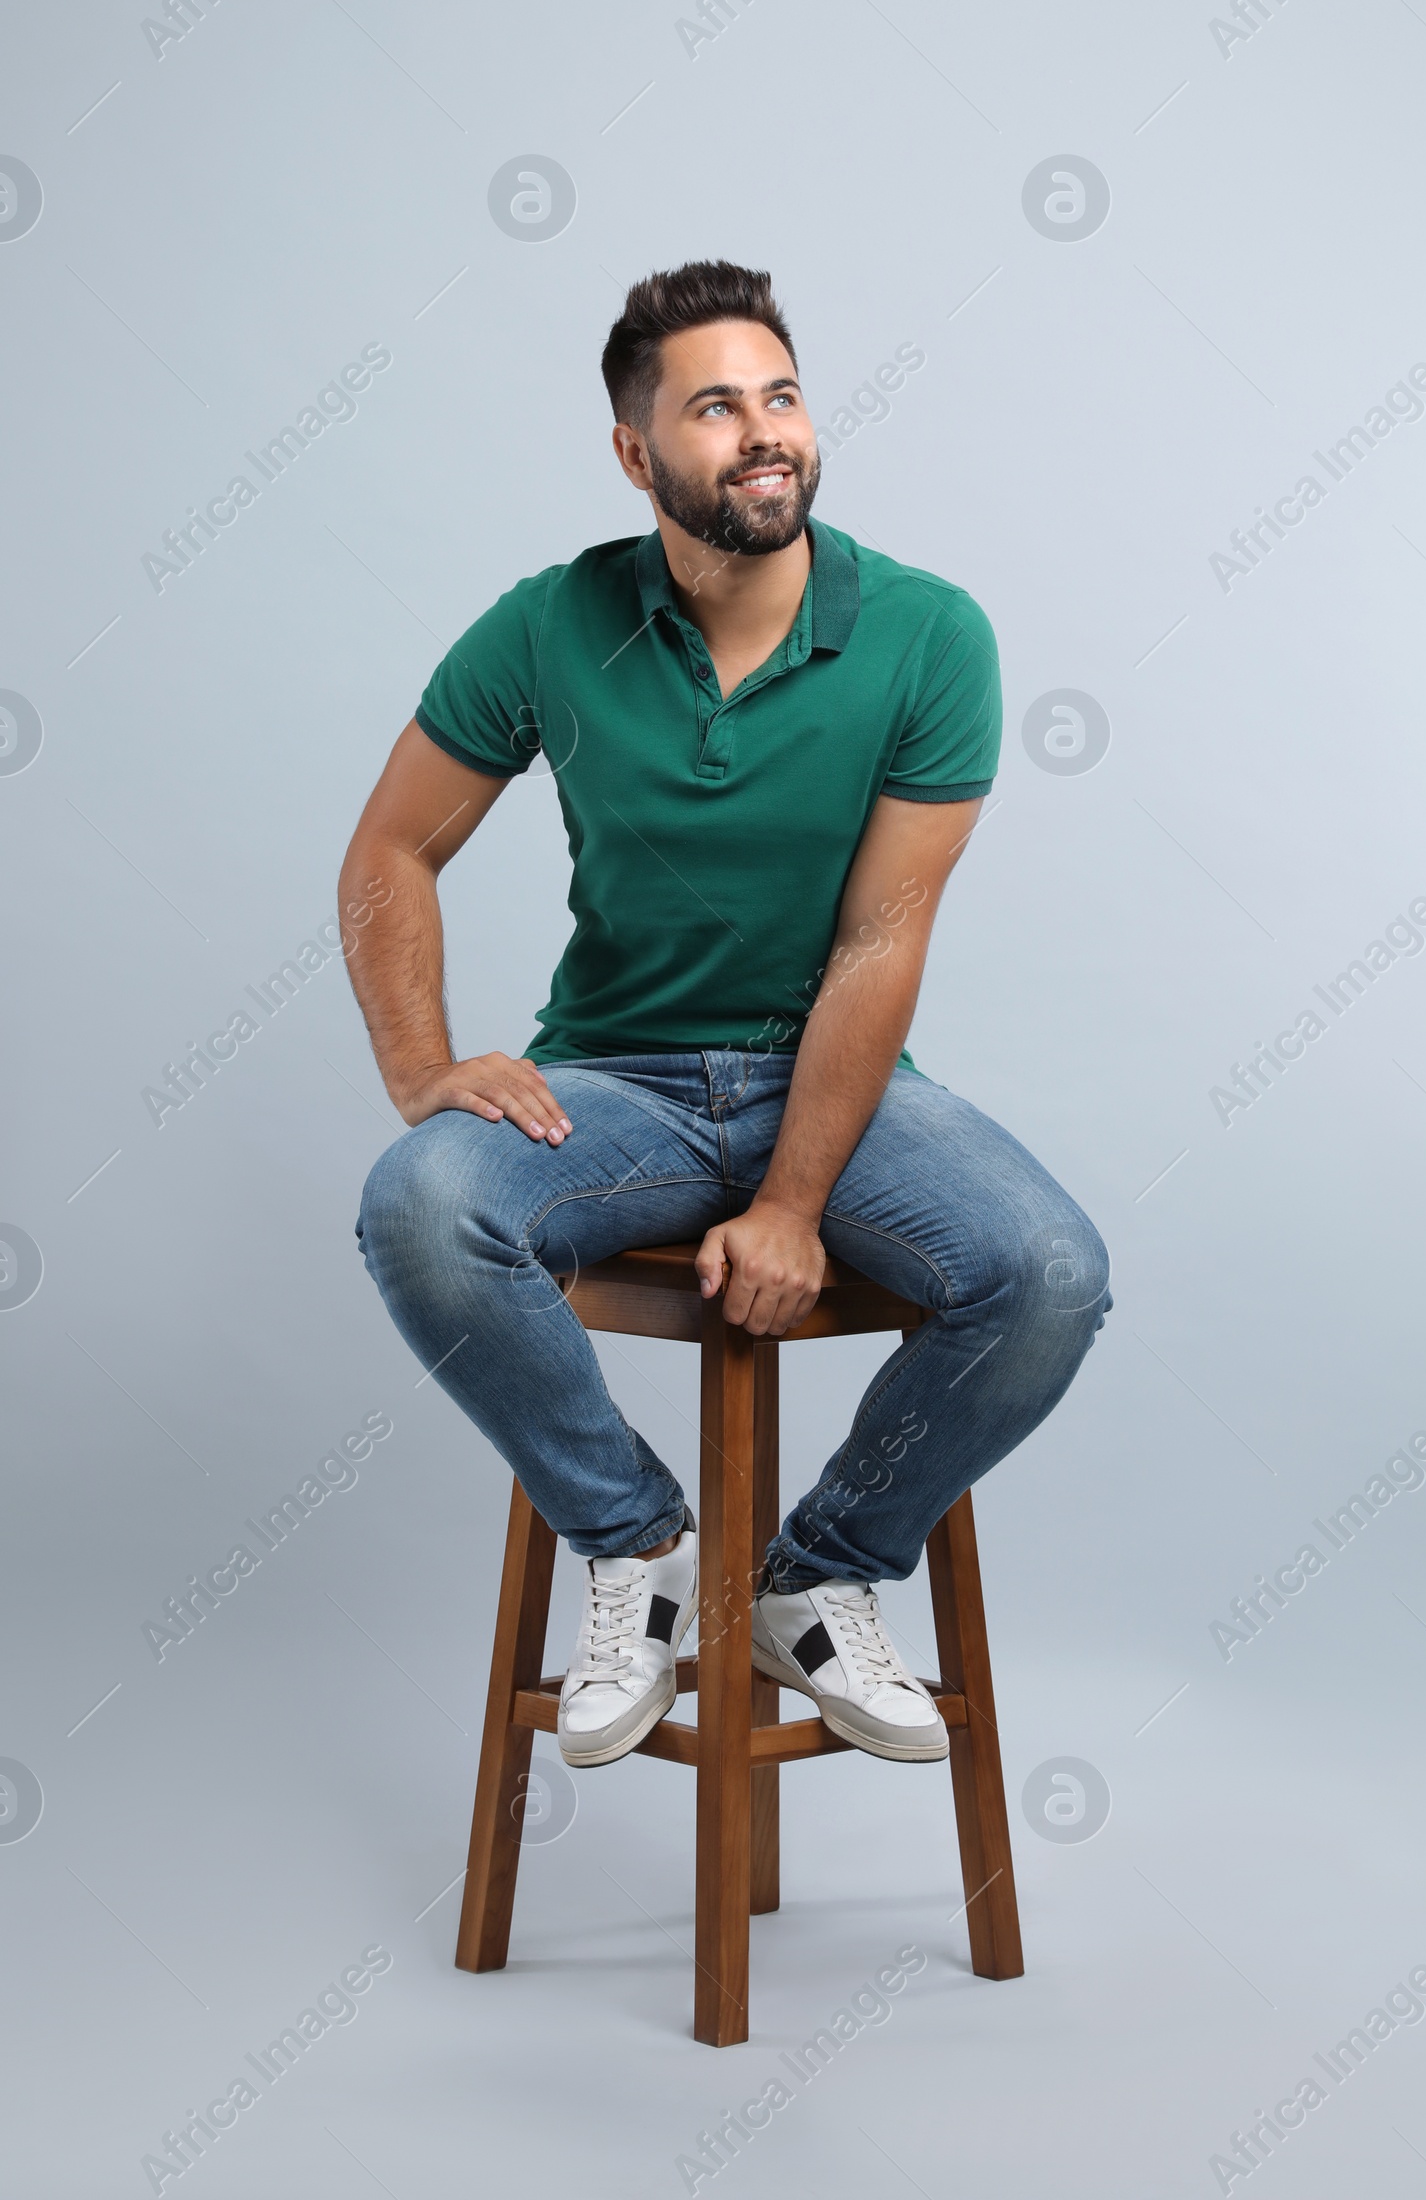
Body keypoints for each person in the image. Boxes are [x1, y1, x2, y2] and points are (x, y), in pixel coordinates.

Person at [343, 260, 1110, 1771]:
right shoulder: (552, 623)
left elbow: (882, 944)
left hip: (835, 1075)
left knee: (1048, 1272)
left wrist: (795, 1201)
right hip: (613, 1089)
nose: (764, 434)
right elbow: (392, 849)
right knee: (421, 1206)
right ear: (638, 455)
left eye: (781, 396)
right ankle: (640, 1548)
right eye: (715, 408)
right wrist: (423, 1067)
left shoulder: (926, 633)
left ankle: (818, 1575)